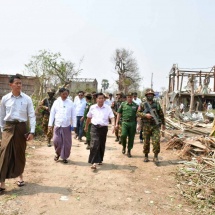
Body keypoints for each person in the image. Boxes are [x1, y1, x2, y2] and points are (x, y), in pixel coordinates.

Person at [0, 75, 36, 192]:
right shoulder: (5, 99)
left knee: (19, 152)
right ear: (10, 85)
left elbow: (31, 115)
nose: (19, 85)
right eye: (17, 83)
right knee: (4, 153)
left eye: (20, 83)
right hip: (8, 127)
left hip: (21, 128)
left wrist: (32, 131)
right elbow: (1, 116)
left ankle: (20, 177)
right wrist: (2, 130)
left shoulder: (27, 99)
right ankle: (2, 183)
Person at [84, 93, 115, 170]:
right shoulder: (92, 107)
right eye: (99, 98)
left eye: (102, 98)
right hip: (94, 127)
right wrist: (86, 126)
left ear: (104, 99)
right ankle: (94, 163)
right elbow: (88, 118)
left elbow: (112, 117)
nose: (101, 100)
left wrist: (113, 125)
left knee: (101, 144)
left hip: (103, 128)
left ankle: (100, 159)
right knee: (94, 143)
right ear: (96, 99)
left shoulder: (108, 108)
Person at [137, 88, 165, 163]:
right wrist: (145, 115)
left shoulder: (157, 104)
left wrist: (163, 124)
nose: (150, 96)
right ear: (146, 95)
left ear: (153, 96)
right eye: (148, 95)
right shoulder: (143, 104)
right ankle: (146, 155)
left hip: (155, 125)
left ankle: (155, 156)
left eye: (151, 95)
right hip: (146, 125)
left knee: (156, 141)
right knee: (146, 142)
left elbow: (161, 114)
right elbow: (138, 113)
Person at [48, 88, 76, 163]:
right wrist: (50, 124)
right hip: (57, 125)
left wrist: (74, 125)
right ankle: (58, 153)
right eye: (64, 94)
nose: (65, 95)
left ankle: (64, 157)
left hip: (66, 125)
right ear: (60, 94)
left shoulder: (70, 103)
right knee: (56, 141)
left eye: (66, 94)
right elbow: (52, 114)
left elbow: (73, 115)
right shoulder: (56, 102)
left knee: (66, 143)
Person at [116, 92, 138, 157]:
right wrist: (116, 123)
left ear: (132, 97)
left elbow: (138, 115)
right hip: (124, 122)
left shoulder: (135, 105)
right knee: (123, 135)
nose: (129, 98)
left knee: (131, 138)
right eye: (128, 97)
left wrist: (138, 125)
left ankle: (129, 150)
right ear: (126, 98)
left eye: (130, 97)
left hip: (133, 123)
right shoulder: (123, 104)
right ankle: (124, 146)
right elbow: (119, 113)